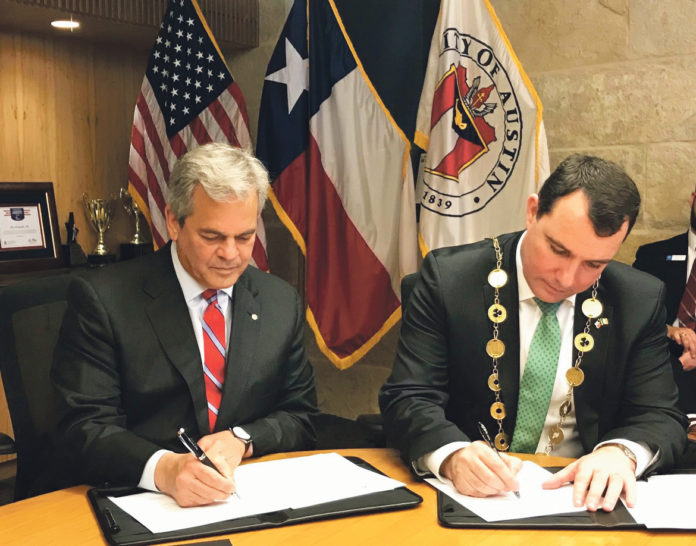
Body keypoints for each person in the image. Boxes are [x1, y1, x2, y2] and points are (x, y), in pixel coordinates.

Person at [380, 154, 686, 513]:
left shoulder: (639, 299)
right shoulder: (449, 280)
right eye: (558, 250)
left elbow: (659, 416)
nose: (567, 279)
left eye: (594, 264)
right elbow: (408, 396)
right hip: (468, 502)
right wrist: (452, 455)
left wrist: (621, 455)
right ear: (532, 211)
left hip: (581, 503)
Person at [52, 143, 318, 507]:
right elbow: (82, 427)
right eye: (212, 237)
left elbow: (301, 415)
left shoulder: (278, 301)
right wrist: (165, 470)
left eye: (244, 237)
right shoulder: (104, 300)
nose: (231, 254)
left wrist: (242, 438)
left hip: (244, 501)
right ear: (174, 222)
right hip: (138, 501)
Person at [633, 186, 696, 414]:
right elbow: (631, 316)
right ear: (693, 199)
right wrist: (669, 330)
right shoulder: (653, 255)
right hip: (657, 375)